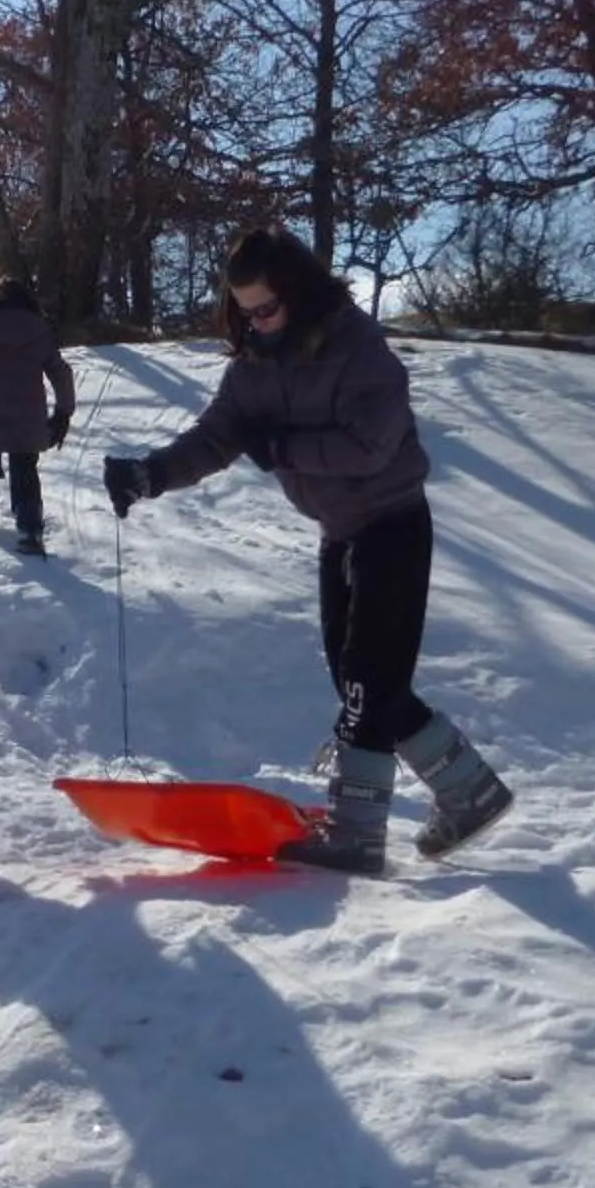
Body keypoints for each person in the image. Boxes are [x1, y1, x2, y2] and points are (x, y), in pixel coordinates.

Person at [101, 225, 511, 874]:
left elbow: (370, 445)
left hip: (393, 522)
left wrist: (282, 448)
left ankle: (357, 832)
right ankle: (468, 788)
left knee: (369, 682)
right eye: (245, 312)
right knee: (357, 680)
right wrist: (150, 474)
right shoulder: (253, 370)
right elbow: (216, 437)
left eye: (267, 308)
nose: (257, 323)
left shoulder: (358, 348)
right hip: (341, 531)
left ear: (298, 290)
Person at [0, 274, 77, 555]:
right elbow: (61, 372)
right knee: (25, 470)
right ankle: (30, 531)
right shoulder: (39, 331)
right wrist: (63, 411)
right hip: (28, 412)